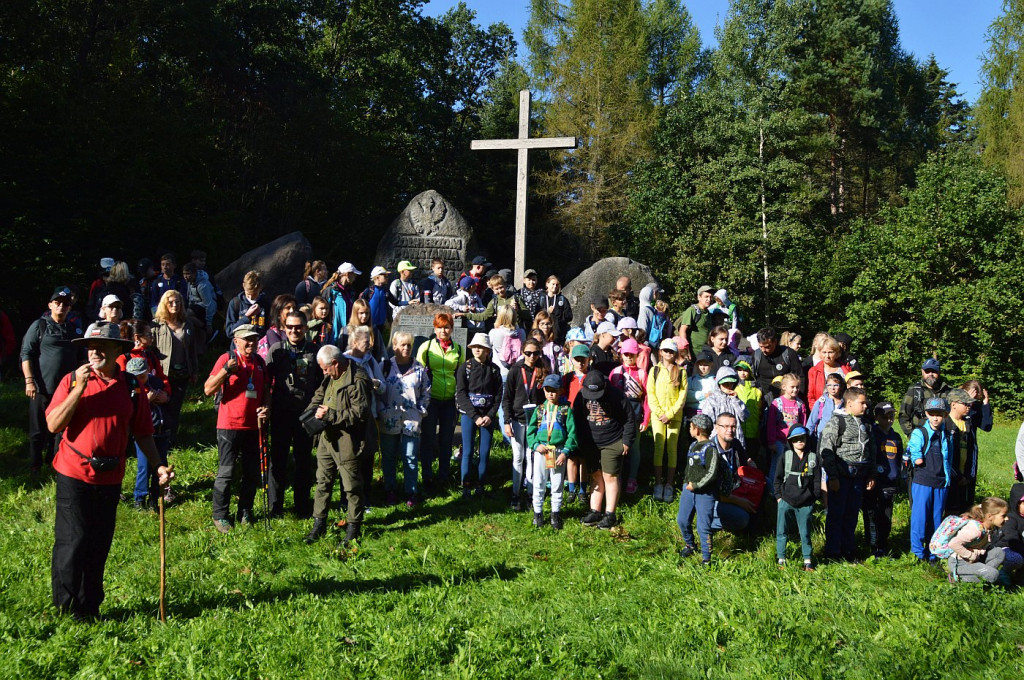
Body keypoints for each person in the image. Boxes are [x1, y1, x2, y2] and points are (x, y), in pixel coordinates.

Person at [46, 322, 171, 619]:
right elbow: (54, 425)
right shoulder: (71, 381)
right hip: (73, 473)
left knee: (99, 542)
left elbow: (143, 432)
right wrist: (78, 388)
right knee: (73, 540)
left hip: (111, 476)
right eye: (90, 346)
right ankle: (65, 609)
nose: (94, 351)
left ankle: (90, 607)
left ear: (118, 351)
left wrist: (159, 466)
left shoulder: (130, 386)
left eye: (102, 345)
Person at [303, 344, 373, 547]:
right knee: (322, 481)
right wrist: (312, 411)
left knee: (351, 486)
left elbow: (360, 413)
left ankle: (353, 527)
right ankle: (319, 523)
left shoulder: (357, 380)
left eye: (325, 368)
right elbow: (319, 395)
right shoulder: (330, 376)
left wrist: (331, 415)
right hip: (327, 438)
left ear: (335, 363)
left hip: (348, 440)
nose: (323, 373)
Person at [203, 324, 270, 533]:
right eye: (247, 339)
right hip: (229, 425)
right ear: (236, 341)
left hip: (253, 425)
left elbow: (266, 389)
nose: (251, 343)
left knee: (251, 472)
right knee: (227, 471)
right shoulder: (227, 359)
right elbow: (207, 389)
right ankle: (220, 515)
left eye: (254, 339)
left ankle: (245, 510)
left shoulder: (259, 362)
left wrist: (266, 407)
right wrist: (225, 371)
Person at [265, 310, 322, 517]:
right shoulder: (276, 350)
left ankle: (302, 506)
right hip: (280, 414)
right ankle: (275, 507)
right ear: (284, 328)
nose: (294, 331)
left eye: (298, 327)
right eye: (289, 327)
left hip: (305, 415)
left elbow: (322, 384)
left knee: (303, 462)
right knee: (278, 462)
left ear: (306, 328)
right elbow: (265, 382)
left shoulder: (315, 351)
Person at [21, 286, 81, 473]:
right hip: (41, 387)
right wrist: (29, 381)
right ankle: (35, 466)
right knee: (38, 429)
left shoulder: (73, 329)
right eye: (58, 303)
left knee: (60, 429)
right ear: (50, 305)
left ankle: (54, 462)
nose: (61, 307)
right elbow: (26, 353)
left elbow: (80, 357)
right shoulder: (39, 326)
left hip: (65, 390)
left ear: (69, 308)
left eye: (65, 304)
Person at [116, 320, 171, 510]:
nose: (152, 336)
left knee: (160, 462)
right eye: (148, 333)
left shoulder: (151, 356)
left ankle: (156, 498)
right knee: (143, 465)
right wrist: (144, 398)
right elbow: (125, 386)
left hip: (160, 422)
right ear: (137, 338)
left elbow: (163, 381)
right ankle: (140, 497)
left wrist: (165, 395)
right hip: (140, 422)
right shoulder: (124, 357)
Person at [818, 386, 874, 562]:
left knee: (852, 514)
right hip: (840, 476)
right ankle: (833, 552)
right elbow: (826, 451)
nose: (865, 406)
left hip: (859, 476)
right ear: (849, 403)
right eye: (862, 403)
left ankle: (849, 551)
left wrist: (871, 474)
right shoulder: (837, 422)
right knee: (836, 514)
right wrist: (833, 476)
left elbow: (871, 451)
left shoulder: (865, 423)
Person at [575, 370, 636, 529]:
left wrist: (627, 441)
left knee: (610, 476)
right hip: (591, 443)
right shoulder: (580, 396)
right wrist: (581, 440)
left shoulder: (617, 395)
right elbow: (577, 419)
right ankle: (595, 510)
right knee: (595, 475)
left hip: (613, 440)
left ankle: (610, 514)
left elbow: (630, 418)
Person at [379, 331, 431, 507]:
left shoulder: (418, 368)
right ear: (394, 346)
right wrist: (381, 410)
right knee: (389, 456)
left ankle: (411, 492)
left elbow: (426, 391)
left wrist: (421, 410)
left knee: (410, 456)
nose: (406, 348)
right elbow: (377, 390)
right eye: (402, 345)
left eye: (409, 345)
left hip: (411, 419)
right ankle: (390, 490)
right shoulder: (385, 366)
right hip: (389, 418)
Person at [416, 312, 464, 494]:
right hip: (431, 399)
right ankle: (427, 476)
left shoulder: (459, 350)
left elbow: (460, 374)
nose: (443, 330)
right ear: (434, 329)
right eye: (440, 327)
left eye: (447, 327)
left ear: (452, 328)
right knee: (428, 438)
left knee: (446, 439)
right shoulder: (426, 347)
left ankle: (444, 476)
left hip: (450, 401)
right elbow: (418, 373)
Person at [906, 397, 957, 561]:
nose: (935, 418)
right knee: (919, 519)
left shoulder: (947, 434)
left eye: (939, 414)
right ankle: (918, 553)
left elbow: (949, 457)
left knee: (936, 520)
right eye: (932, 414)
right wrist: (916, 457)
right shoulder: (920, 432)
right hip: (923, 481)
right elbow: (913, 447)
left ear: (945, 415)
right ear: (926, 414)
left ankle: (933, 552)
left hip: (941, 482)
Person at [151, 289, 200, 452]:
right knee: (162, 405)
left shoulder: (188, 323)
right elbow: (151, 350)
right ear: (164, 304)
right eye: (171, 302)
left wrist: (194, 371)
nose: (174, 305)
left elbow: (193, 350)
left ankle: (172, 440)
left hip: (182, 373)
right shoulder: (157, 324)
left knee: (175, 406)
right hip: (162, 373)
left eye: (178, 302)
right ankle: (159, 438)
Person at [528, 374, 577, 530]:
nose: (551, 394)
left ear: (561, 391)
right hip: (542, 451)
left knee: (557, 483)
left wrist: (565, 452)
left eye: (554, 391)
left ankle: (555, 514)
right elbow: (531, 432)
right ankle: (538, 513)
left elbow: (572, 434)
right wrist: (535, 445)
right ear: (543, 391)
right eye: (548, 390)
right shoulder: (540, 410)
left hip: (558, 451)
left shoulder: (565, 410)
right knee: (539, 482)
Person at [456, 333, 503, 497]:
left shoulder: (494, 370)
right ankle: (466, 485)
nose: (477, 349)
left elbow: (498, 395)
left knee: (484, 452)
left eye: (481, 347)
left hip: (488, 416)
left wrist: (490, 415)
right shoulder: (465, 368)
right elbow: (461, 394)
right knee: (467, 451)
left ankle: (481, 484)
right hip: (470, 415)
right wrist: (474, 416)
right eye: (475, 346)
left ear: (487, 350)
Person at [503, 339, 547, 510]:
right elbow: (507, 399)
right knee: (518, 457)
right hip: (517, 419)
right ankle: (515, 493)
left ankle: (530, 494)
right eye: (528, 353)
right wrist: (507, 421)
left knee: (532, 457)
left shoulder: (542, 369)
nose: (532, 356)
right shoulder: (515, 370)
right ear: (522, 352)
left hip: (535, 421)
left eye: (535, 353)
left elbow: (545, 398)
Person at [343, 325, 385, 504]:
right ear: (354, 342)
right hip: (349, 416)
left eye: (370, 341)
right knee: (349, 458)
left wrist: (376, 384)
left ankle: (366, 496)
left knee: (367, 457)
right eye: (366, 342)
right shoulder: (343, 360)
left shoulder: (370, 361)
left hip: (369, 415)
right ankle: (347, 498)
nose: (369, 345)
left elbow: (383, 387)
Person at [677, 414, 722, 565]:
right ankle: (690, 544)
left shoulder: (711, 449)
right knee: (682, 520)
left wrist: (696, 485)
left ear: (697, 430)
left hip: (705, 493)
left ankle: (706, 558)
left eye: (691, 427)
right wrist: (686, 484)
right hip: (688, 490)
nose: (689, 429)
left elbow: (712, 473)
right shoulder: (692, 445)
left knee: (703, 526)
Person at [774, 426, 820, 571]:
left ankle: (807, 561)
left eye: (803, 438)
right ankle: (781, 559)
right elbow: (777, 479)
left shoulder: (814, 458)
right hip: (786, 500)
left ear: (807, 439)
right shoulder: (785, 457)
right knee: (781, 531)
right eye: (796, 439)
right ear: (790, 441)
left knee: (805, 532)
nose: (800, 441)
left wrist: (814, 498)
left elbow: (817, 481)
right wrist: (779, 498)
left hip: (806, 502)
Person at [934, 498, 1008, 584]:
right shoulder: (974, 530)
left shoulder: (988, 527)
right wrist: (971, 556)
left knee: (999, 553)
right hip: (960, 562)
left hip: (974, 559)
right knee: (994, 574)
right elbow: (953, 543)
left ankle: (982, 576)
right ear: (989, 516)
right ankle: (958, 578)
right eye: (1003, 515)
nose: (1007, 518)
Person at [610, 339, 650, 495]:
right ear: (621, 355)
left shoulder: (641, 373)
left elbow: (647, 398)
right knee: (618, 446)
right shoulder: (615, 372)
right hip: (618, 414)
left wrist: (646, 419)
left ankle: (632, 478)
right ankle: (618, 476)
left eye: (631, 355)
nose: (628, 358)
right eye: (626, 354)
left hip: (635, 413)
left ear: (637, 355)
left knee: (634, 447)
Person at [648, 339, 685, 503]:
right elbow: (651, 394)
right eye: (666, 351)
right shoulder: (654, 370)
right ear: (660, 352)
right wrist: (660, 413)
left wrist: (670, 414)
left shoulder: (681, 372)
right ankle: (658, 483)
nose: (668, 354)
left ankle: (669, 484)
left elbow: (682, 396)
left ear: (675, 353)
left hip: (674, 417)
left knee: (672, 449)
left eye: (671, 351)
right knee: (658, 447)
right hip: (657, 417)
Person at [863, 402, 902, 557]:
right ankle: (872, 545)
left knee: (886, 515)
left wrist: (899, 476)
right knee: (871, 514)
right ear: (877, 417)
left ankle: (883, 545)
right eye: (885, 417)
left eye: (892, 416)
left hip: (889, 482)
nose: (889, 420)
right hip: (874, 481)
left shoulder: (896, 437)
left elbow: (899, 459)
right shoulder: (873, 435)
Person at [765, 373, 807, 495]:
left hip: (794, 441)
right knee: (777, 465)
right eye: (792, 387)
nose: (795, 389)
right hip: (779, 440)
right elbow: (771, 424)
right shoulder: (777, 403)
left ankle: (789, 489)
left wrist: (802, 439)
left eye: (797, 387)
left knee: (793, 465)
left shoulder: (800, 404)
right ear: (784, 387)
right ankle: (773, 491)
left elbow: (802, 423)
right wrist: (771, 441)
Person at [945, 388, 981, 515]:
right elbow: (945, 455)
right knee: (950, 512)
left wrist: (969, 476)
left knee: (965, 512)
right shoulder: (945, 424)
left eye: (970, 404)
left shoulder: (968, 424)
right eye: (965, 404)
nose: (968, 406)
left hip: (966, 478)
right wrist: (957, 476)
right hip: (951, 478)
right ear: (953, 404)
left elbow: (973, 451)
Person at [899, 358, 953, 435]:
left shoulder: (948, 391)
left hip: (944, 437)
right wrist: (912, 435)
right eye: (927, 371)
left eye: (934, 371)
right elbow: (903, 416)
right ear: (922, 372)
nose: (930, 374)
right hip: (921, 437)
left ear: (939, 372)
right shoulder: (914, 391)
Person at [701, 367, 749, 446]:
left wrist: (736, 400)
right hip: (717, 442)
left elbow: (744, 417)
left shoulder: (735, 399)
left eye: (731, 383)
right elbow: (707, 422)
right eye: (725, 383)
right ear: (719, 383)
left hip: (736, 440)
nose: (729, 386)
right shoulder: (711, 400)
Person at [464, 274, 530, 330]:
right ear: (493, 290)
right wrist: (464, 315)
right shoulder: (494, 302)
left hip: (516, 331)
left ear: (505, 285)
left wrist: (518, 310)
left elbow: (528, 315)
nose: (500, 290)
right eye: (497, 289)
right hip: (501, 332)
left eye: (501, 287)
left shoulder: (516, 298)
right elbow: (483, 316)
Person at [751, 327, 804, 395]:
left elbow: (800, 377)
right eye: (761, 347)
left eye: (767, 347)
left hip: (786, 398)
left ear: (775, 342)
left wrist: (799, 398)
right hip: (763, 398)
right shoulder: (756, 356)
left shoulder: (789, 354)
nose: (763, 350)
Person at [990, 483, 1024, 581]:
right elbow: (1011, 539)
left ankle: (1019, 576)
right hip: (1006, 548)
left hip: (1020, 548)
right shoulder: (1010, 519)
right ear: (1017, 503)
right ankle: (1004, 572)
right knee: (1015, 558)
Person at [734, 360, 764, 466]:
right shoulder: (735, 387)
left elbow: (760, 408)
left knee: (752, 458)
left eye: (745, 370)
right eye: (739, 370)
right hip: (739, 430)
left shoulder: (757, 389)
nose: (742, 373)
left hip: (753, 430)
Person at [805, 336, 850, 406]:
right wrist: (817, 412)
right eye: (824, 352)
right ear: (820, 353)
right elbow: (811, 396)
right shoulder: (813, 371)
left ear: (836, 353)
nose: (827, 356)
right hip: (822, 409)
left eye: (830, 352)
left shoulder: (846, 368)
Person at [675, 285, 715, 362]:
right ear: (699, 297)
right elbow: (682, 331)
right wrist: (686, 351)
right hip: (693, 354)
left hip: (705, 353)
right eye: (706, 296)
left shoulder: (708, 314)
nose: (709, 299)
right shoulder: (692, 310)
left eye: (710, 297)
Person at [322, 262, 360, 344]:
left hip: (348, 333)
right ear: (347, 274)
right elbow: (322, 312)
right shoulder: (330, 291)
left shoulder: (351, 291)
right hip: (333, 335)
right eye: (354, 274)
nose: (355, 277)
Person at [224, 270, 270, 338]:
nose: (251, 297)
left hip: (260, 345)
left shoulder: (265, 303)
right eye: (248, 293)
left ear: (260, 288)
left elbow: (270, 328)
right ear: (243, 286)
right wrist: (247, 317)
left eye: (254, 294)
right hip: (240, 346)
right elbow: (229, 332)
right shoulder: (235, 303)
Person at [181, 262, 216, 347]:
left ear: (194, 273)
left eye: (188, 274)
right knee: (189, 317)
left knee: (187, 314)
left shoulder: (202, 286)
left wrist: (209, 324)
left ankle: (208, 329)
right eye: (184, 274)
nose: (185, 276)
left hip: (205, 306)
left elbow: (209, 304)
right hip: (196, 306)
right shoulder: (190, 282)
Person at [258, 294, 298, 360]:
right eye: (288, 308)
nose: (292, 311)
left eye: (294, 308)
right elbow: (280, 355)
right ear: (279, 312)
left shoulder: (300, 330)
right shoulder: (272, 333)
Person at [541, 275, 573, 344]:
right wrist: (547, 312)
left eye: (557, 285)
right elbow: (536, 315)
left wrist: (556, 313)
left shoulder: (562, 299)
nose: (555, 286)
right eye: (553, 284)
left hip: (559, 334)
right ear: (547, 284)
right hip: (543, 334)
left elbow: (569, 316)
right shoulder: (541, 298)